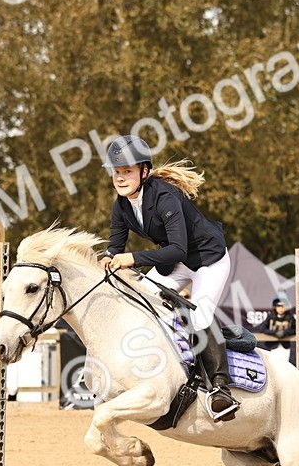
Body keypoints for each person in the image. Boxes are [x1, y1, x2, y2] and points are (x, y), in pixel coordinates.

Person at [98, 134, 240, 420]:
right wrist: (107, 258)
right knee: (142, 299)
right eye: (117, 172)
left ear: (144, 172)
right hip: (174, 264)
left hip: (207, 260)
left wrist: (132, 259)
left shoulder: (164, 196)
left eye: (127, 171)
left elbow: (177, 249)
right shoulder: (122, 205)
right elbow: (115, 245)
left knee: (199, 314)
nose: (120, 178)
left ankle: (222, 390)